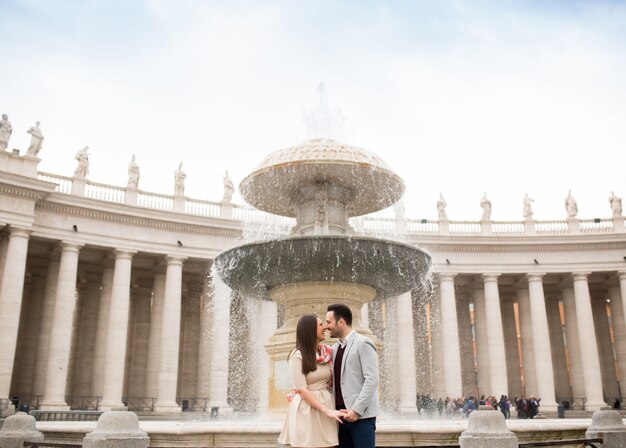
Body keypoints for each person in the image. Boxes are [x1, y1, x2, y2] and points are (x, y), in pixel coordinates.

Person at [277, 314, 346, 448]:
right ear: (310, 329)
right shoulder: (297, 355)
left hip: (327, 406)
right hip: (307, 409)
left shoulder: (326, 352)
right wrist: (326, 410)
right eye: (321, 324)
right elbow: (301, 390)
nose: (325, 327)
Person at [325, 304, 379, 448]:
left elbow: (372, 379)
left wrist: (356, 410)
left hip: (362, 418)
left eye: (329, 322)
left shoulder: (363, 343)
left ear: (340, 322)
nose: (326, 326)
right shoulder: (335, 349)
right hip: (341, 420)